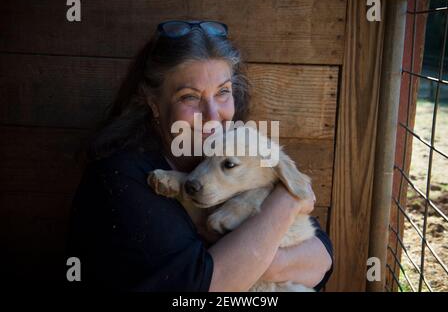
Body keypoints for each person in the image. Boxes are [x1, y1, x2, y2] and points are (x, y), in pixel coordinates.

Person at [67, 20, 333, 291]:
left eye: (223, 92)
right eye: (190, 97)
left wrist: (268, 258)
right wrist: (287, 202)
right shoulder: (119, 178)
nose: (213, 116)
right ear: (154, 103)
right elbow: (204, 287)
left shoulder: (239, 153)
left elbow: (321, 259)